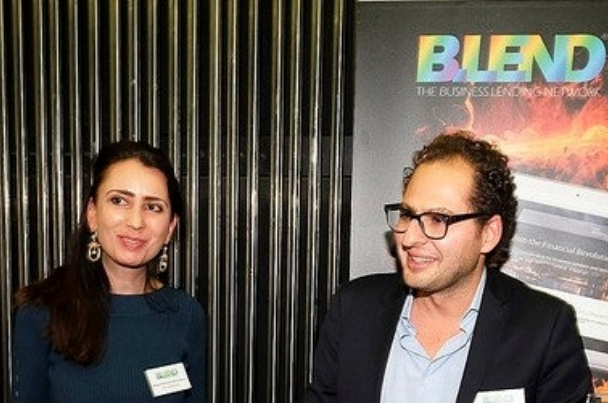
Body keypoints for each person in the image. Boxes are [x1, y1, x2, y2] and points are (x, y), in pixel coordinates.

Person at [304, 129, 592, 403]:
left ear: (488, 233)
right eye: (407, 215)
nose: (409, 238)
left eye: (438, 219)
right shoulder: (354, 310)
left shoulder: (543, 330)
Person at [11, 141, 206, 403]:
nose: (136, 222)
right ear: (92, 213)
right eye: (119, 201)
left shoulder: (186, 314)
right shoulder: (41, 312)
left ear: (170, 227)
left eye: (153, 207)